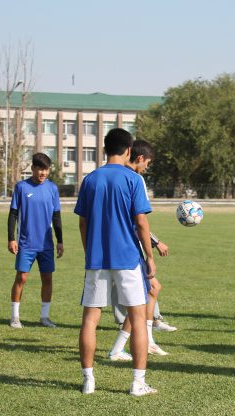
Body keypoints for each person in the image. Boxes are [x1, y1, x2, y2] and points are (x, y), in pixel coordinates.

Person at [74, 128, 157, 397]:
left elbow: (83, 222)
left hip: (97, 259)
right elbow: (141, 223)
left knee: (90, 319)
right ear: (129, 150)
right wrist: (150, 257)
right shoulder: (133, 180)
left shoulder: (90, 180)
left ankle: (88, 380)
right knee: (138, 317)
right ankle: (137, 383)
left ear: (104, 149)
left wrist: (90, 251)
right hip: (128, 258)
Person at [108, 139, 170, 361]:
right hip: (128, 249)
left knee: (149, 292)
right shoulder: (135, 179)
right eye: (148, 163)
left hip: (111, 247)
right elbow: (138, 221)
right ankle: (131, 346)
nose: (146, 167)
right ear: (140, 158)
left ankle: (135, 344)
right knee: (144, 296)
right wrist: (155, 244)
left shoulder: (112, 175)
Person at [7, 153, 63, 328]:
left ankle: (44, 317)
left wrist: (60, 240)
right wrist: (11, 239)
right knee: (21, 278)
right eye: (40, 169)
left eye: (46, 169)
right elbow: (13, 214)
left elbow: (56, 216)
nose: (43, 173)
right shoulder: (21, 187)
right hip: (26, 243)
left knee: (47, 278)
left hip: (46, 244)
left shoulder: (52, 188)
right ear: (33, 168)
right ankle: (15, 317)